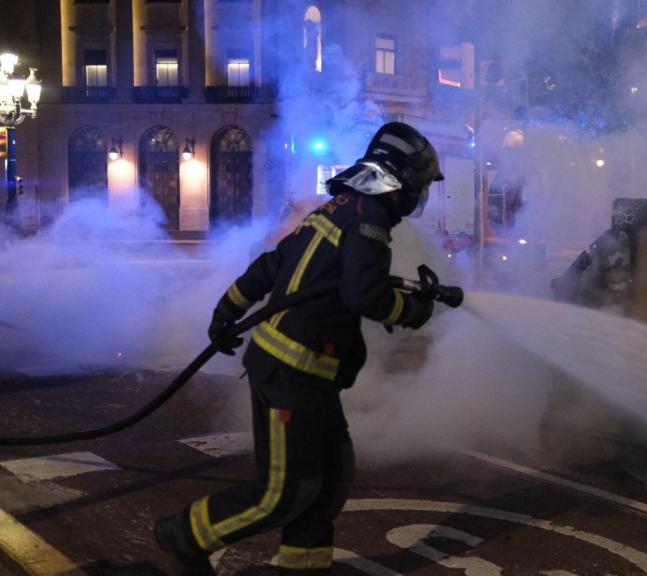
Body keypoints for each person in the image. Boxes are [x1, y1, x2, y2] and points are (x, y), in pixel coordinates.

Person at [153, 122, 445, 576]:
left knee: (328, 482)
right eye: (419, 185)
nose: (418, 197)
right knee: (284, 493)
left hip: (308, 374)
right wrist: (414, 311)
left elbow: (273, 264)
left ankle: (303, 567)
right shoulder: (368, 221)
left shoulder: (338, 209)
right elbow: (364, 295)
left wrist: (226, 309)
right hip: (291, 374)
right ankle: (185, 536)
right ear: (400, 180)